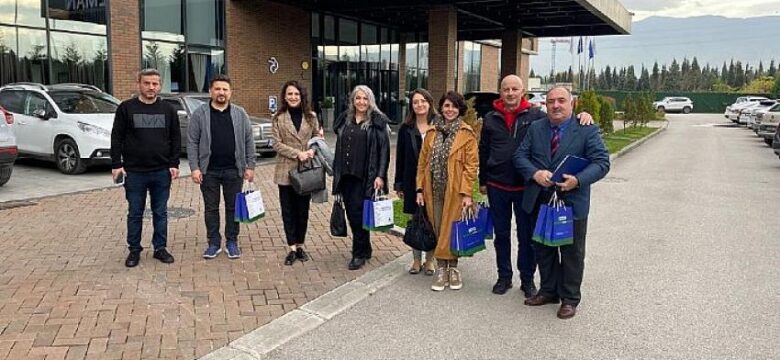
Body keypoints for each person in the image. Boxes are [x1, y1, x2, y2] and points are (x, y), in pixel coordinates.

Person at [480, 75, 593, 298]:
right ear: (500, 92)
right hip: (497, 186)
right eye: (506, 89)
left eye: (515, 89)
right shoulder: (491, 117)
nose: (510, 93)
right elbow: (483, 150)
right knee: (501, 235)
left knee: (528, 237)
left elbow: (563, 118)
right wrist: (482, 180)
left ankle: (527, 279)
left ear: (523, 92)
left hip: (526, 187)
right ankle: (504, 277)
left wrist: (582, 115)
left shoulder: (537, 116)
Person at [513, 87, 610, 319]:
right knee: (543, 249)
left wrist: (577, 180)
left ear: (572, 103)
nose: (555, 105)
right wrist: (535, 173)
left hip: (571, 203)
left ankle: (569, 298)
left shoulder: (586, 129)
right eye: (550, 101)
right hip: (540, 201)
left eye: (561, 101)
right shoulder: (536, 128)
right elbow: (520, 156)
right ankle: (548, 291)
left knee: (571, 253)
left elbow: (601, 162)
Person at [111, 68, 180, 268]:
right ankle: (134, 250)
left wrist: (174, 163)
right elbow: (117, 137)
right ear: (139, 84)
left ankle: (160, 248)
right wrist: (117, 164)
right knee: (135, 212)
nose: (151, 87)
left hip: (161, 171)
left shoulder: (168, 110)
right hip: (134, 172)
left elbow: (175, 138)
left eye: (155, 83)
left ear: (159, 85)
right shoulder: (126, 108)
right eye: (147, 83)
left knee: (160, 212)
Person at [187, 74, 255, 259]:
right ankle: (214, 243)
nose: (221, 92)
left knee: (234, 208)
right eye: (217, 89)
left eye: (225, 89)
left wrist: (250, 166)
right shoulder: (199, 114)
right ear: (210, 91)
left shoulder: (240, 113)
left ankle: (232, 241)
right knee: (211, 208)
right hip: (209, 171)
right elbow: (192, 142)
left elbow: (249, 140)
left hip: (234, 170)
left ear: (230, 92)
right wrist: (194, 167)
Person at [416, 91, 478, 291]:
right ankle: (442, 268)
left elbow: (471, 166)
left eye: (454, 106)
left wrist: (467, 193)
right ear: (441, 108)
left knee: (452, 229)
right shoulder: (432, 133)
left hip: (456, 191)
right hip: (433, 189)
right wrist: (419, 188)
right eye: (446, 106)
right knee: (438, 227)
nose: (450, 110)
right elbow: (422, 163)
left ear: (460, 109)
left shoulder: (466, 134)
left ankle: (452, 268)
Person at [332, 85, 390, 271]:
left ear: (370, 101)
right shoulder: (345, 120)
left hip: (365, 177)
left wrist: (380, 175)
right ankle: (365, 247)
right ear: (353, 100)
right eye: (358, 98)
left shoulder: (377, 122)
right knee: (352, 214)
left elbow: (384, 152)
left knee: (358, 216)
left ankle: (358, 253)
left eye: (365, 98)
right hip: (346, 176)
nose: (361, 102)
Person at [271, 80, 320, 265]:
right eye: (290, 94)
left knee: (302, 211)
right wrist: (297, 153)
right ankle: (291, 247)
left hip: (305, 170)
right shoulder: (278, 117)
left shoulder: (311, 116)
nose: (293, 97)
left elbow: (317, 138)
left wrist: (312, 151)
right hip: (285, 170)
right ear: (285, 96)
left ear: (302, 96)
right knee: (288, 211)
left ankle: (300, 245)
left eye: (296, 94)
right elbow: (276, 144)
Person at [394, 88, 437, 275]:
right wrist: (399, 184)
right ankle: (416, 260)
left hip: (435, 182)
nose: (420, 105)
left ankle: (430, 260)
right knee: (415, 220)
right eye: (416, 102)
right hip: (411, 181)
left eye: (423, 101)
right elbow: (400, 157)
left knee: (432, 221)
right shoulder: (406, 128)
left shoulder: (439, 124)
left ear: (429, 103)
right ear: (412, 106)